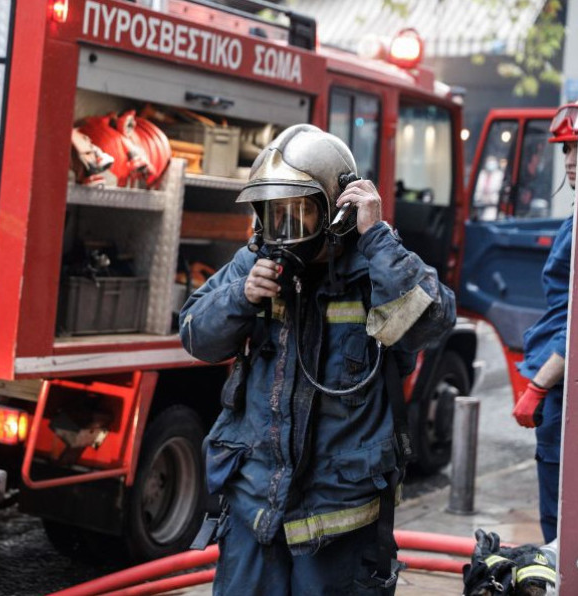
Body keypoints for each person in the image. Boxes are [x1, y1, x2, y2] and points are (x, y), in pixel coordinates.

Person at [178, 124, 455, 594]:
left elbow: (431, 322)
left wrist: (377, 237)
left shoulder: (376, 269)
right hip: (255, 512)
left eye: (296, 212)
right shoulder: (255, 264)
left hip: (337, 524)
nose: (280, 231)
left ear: (336, 209)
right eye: (271, 213)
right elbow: (194, 336)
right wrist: (239, 299)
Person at [511, 100, 577, 543]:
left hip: (566, 392)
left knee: (562, 529)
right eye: (566, 151)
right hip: (562, 387)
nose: (569, 162)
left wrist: (538, 385)